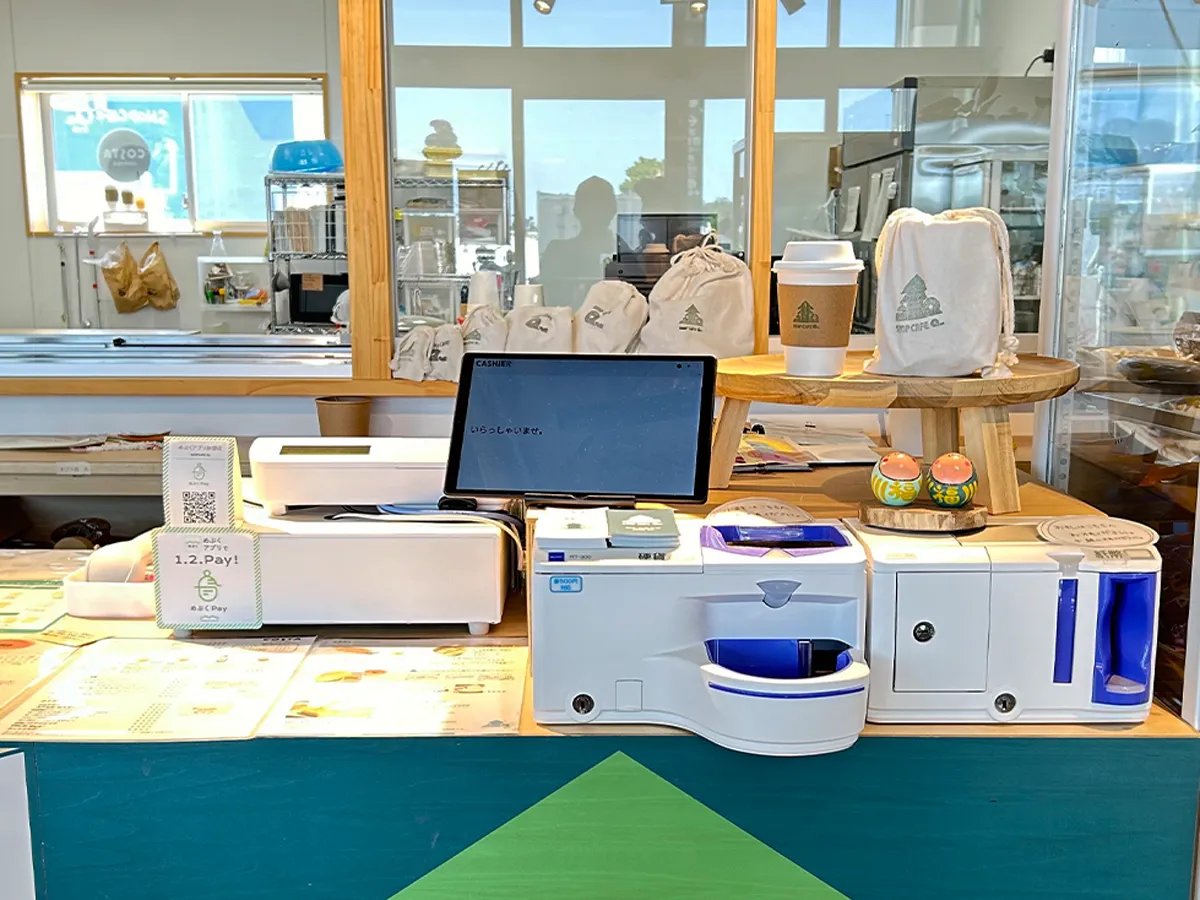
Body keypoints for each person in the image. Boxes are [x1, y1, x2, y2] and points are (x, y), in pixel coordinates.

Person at [538, 176, 630, 309]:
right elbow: (550, 299)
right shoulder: (557, 253)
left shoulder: (624, 253)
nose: (595, 211)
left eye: (600, 205)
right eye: (590, 205)